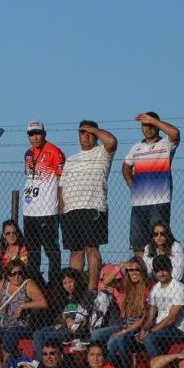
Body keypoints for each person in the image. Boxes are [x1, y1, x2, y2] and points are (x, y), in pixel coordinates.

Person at [61, 120, 117, 286]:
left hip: (93, 208)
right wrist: (62, 210)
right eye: (82, 132)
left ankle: (92, 290)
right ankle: (75, 290)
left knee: (91, 248)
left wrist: (94, 129)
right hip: (71, 210)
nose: (85, 136)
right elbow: (61, 186)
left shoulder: (102, 152)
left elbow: (112, 141)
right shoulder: (71, 160)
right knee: (75, 252)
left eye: (89, 133)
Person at [122, 111, 182, 251]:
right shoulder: (136, 147)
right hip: (138, 204)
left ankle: (160, 270)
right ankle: (141, 271)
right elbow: (126, 168)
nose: (147, 128)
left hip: (159, 202)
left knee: (159, 243)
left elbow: (175, 133)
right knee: (138, 245)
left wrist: (154, 121)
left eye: (150, 125)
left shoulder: (165, 144)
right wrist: (133, 186)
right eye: (144, 125)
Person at [20, 121, 67, 283]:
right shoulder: (28, 153)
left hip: (47, 209)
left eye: (38, 133)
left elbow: (62, 178)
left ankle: (54, 284)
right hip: (29, 210)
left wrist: (61, 204)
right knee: (32, 251)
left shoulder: (54, 151)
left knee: (51, 250)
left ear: (44, 134)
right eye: (31, 134)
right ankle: (35, 284)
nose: (35, 137)